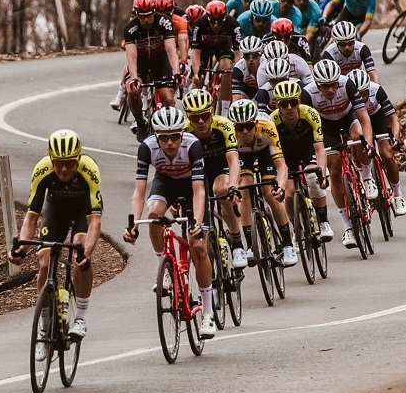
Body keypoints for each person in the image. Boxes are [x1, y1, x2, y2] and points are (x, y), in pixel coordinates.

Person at [123, 106, 218, 339]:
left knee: (197, 246)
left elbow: (198, 191)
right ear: (156, 136)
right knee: (154, 212)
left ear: (181, 133)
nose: (170, 143)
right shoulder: (146, 148)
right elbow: (139, 192)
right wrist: (133, 223)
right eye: (164, 138)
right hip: (165, 182)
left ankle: (208, 312)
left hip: (192, 185)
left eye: (175, 136)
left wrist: (197, 222)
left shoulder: (192, 144)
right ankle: (164, 267)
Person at [10, 130, 104, 341]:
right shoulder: (42, 169)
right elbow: (31, 217)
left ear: (78, 159)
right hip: (55, 210)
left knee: (80, 251)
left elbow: (95, 222)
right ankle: (44, 326)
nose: (63, 168)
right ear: (51, 159)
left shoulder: (89, 170)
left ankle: (80, 318)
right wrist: (21, 248)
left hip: (82, 211)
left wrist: (86, 254)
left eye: (69, 163)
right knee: (44, 263)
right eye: (59, 162)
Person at [305, 58, 375, 249]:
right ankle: (348, 227)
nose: (330, 90)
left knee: (358, 136)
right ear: (317, 84)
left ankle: (366, 178)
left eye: (333, 84)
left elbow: (364, 118)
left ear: (338, 81)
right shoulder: (308, 93)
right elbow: (308, 130)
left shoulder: (347, 84)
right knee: (334, 170)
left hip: (348, 118)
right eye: (325, 86)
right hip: (324, 126)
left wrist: (368, 144)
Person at [180, 89, 247, 268]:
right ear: (188, 117)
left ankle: (237, 242)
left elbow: (234, 161)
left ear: (211, 112)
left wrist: (233, 186)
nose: (201, 121)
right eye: (195, 117)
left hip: (220, 169)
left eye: (204, 115)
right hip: (198, 175)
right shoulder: (183, 132)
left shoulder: (224, 126)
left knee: (222, 190)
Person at [227, 99, 298, 267]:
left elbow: (281, 165)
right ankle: (251, 244)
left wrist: (280, 187)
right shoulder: (231, 135)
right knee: (244, 188)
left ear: (256, 123)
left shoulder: (267, 127)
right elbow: (232, 166)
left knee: (269, 192)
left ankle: (288, 244)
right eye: (240, 128)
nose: (244, 132)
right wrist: (233, 188)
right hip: (243, 157)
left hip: (265, 153)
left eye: (249, 126)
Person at [269, 79, 333, 242]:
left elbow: (319, 149)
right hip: (285, 154)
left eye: (293, 102)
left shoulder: (310, 114)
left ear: (299, 101)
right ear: (277, 105)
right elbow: (274, 155)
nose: (289, 107)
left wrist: (322, 174)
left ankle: (323, 221)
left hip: (307, 149)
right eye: (284, 104)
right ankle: (296, 227)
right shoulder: (272, 121)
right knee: (289, 194)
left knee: (313, 177)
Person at [346, 69, 406, 215]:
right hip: (358, 120)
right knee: (359, 142)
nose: (360, 98)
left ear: (368, 88)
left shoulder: (376, 90)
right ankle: (365, 179)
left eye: (364, 94)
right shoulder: (344, 95)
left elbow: (393, 118)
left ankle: (398, 195)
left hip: (377, 118)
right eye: (357, 95)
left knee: (387, 154)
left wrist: (394, 138)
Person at [113, 0, 181, 119]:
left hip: (160, 59)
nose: (145, 20)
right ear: (136, 15)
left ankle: (167, 124)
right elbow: (132, 57)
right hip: (141, 61)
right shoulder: (130, 28)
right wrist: (134, 78)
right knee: (132, 91)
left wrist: (176, 72)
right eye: (142, 16)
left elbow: (171, 50)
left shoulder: (164, 22)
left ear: (154, 12)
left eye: (148, 16)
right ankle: (139, 121)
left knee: (168, 97)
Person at [191, 1, 239, 103]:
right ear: (207, 17)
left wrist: (239, 72)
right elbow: (195, 52)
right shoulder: (199, 24)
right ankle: (193, 107)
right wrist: (196, 73)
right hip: (204, 47)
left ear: (225, 18)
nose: (216, 25)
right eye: (212, 21)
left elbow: (238, 51)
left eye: (219, 22)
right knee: (198, 77)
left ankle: (225, 109)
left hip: (223, 46)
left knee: (227, 68)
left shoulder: (233, 23)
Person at [230, 36, 266, 102]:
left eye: (254, 56)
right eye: (247, 56)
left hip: (264, 90)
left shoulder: (267, 64)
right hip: (247, 89)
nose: (251, 60)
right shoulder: (238, 68)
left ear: (260, 55)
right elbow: (236, 98)